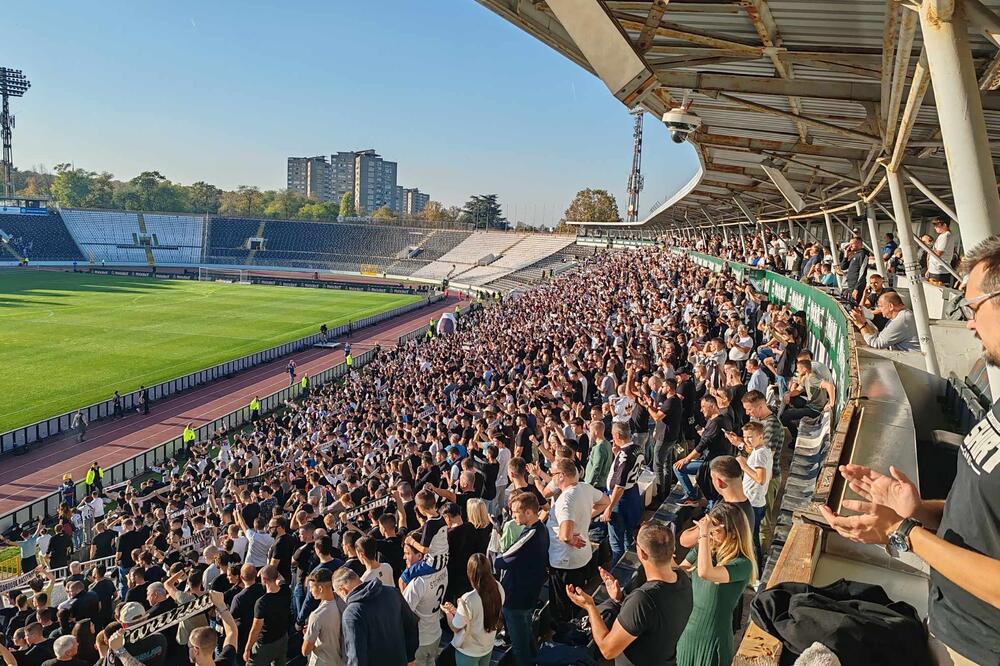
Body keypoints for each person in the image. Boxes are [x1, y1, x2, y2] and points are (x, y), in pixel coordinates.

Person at [821, 235, 1000, 666]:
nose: (969, 325)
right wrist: (917, 510)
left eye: (972, 308)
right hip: (951, 624)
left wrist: (903, 535)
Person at [567, 522, 693, 665]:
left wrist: (590, 606)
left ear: (642, 554)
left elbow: (607, 649)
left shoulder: (643, 600)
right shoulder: (683, 579)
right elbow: (652, 620)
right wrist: (621, 599)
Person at [675, 502, 757, 666]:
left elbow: (706, 573)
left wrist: (704, 535)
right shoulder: (706, 549)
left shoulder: (742, 563)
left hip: (713, 639)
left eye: (716, 530)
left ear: (733, 534)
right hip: (688, 633)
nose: (711, 534)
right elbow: (679, 573)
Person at [546, 458, 609, 622]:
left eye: (552, 474)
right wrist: (587, 515)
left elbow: (565, 534)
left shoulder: (565, 500)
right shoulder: (585, 488)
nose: (550, 477)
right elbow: (605, 502)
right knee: (577, 596)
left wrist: (569, 539)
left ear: (561, 475)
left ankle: (566, 633)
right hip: (582, 556)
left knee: (563, 604)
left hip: (564, 561)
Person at [493, 491, 548, 666]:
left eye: (516, 512)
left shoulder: (531, 534)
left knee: (519, 646)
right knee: (527, 636)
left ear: (529, 512)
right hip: (529, 594)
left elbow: (502, 560)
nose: (513, 515)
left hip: (517, 598)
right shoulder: (541, 530)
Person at [334, 567, 419, 666]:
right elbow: (411, 624)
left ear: (342, 590)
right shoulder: (392, 592)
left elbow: (356, 657)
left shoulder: (352, 614)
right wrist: (410, 657)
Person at [441, 554, 504, 666]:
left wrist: (448, 613)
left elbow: (456, 627)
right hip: (488, 647)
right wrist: (457, 611)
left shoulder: (468, 599)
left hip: (468, 652)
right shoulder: (499, 588)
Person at [674, 396, 730, 505]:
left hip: (713, 463)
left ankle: (692, 496)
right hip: (718, 460)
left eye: (703, 406)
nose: (701, 410)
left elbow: (701, 446)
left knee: (678, 468)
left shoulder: (715, 423)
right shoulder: (723, 419)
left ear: (712, 406)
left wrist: (686, 459)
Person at [603, 422, 645, 566]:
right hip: (632, 494)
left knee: (616, 544)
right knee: (629, 536)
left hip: (621, 500)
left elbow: (620, 485)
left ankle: (619, 574)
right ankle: (631, 568)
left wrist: (609, 507)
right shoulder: (637, 448)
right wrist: (616, 454)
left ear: (617, 435)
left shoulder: (625, 455)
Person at [734, 422, 772, 567]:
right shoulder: (762, 451)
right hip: (756, 501)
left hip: (753, 503)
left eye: (750, 437)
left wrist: (744, 466)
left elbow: (760, 479)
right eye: (745, 437)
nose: (747, 440)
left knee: (751, 539)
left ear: (761, 436)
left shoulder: (760, 454)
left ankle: (756, 571)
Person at [244, 564, 291, 666]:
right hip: (282, 638)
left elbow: (256, 629)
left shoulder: (262, 602)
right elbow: (280, 578)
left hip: (265, 644)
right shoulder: (286, 590)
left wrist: (247, 648)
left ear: (264, 580)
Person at [780, 358, 836, 440]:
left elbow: (829, 386)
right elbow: (798, 390)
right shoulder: (806, 377)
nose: (797, 370)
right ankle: (793, 419)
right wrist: (788, 394)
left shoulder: (812, 378)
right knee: (792, 399)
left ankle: (795, 437)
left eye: (798, 368)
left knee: (786, 415)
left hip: (815, 409)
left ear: (804, 369)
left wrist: (831, 403)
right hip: (809, 404)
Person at [850, 291, 920, 351]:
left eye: (881, 306)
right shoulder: (902, 315)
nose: (880, 309)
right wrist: (864, 321)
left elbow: (876, 343)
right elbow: (878, 336)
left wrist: (860, 325)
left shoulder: (902, 320)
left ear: (891, 306)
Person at [301, 568, 344, 666]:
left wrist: (307, 634)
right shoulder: (343, 602)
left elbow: (305, 651)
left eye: (311, 587)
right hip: (340, 660)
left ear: (320, 589)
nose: (310, 591)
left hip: (322, 661)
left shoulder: (316, 615)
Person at [187, 591, 239, 666]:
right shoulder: (226, 661)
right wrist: (221, 604)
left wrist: (220, 604)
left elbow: (232, 632)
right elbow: (232, 632)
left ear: (196, 651)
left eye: (189, 646)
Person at [926, 218, 956, 285]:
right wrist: (929, 269)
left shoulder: (946, 236)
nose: (935, 228)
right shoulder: (943, 236)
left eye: (937, 225)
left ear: (944, 225)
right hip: (935, 269)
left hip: (939, 271)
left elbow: (938, 253)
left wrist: (928, 249)